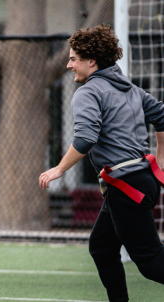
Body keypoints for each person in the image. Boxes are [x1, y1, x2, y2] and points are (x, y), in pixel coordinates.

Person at [39, 24, 164, 302]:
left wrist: (59, 169)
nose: (69, 65)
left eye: (74, 59)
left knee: (152, 263)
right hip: (141, 181)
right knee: (102, 247)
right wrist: (161, 157)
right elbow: (162, 116)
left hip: (126, 187)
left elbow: (85, 138)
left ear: (91, 61)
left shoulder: (88, 93)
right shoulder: (130, 88)